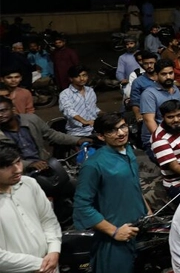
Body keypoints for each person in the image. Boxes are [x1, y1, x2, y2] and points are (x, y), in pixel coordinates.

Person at [73, 113, 150, 273]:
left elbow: (134, 185)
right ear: (101, 136)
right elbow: (82, 206)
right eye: (112, 131)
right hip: (114, 240)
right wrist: (114, 232)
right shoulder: (93, 165)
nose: (121, 133)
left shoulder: (128, 150)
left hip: (138, 229)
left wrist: (148, 210)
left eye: (123, 127)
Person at [0, 144, 62, 273]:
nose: (17, 170)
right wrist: (39, 265)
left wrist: (54, 250)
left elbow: (48, 220)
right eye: (7, 166)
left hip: (49, 266)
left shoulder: (29, 183)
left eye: (18, 162)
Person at [0, 96, 89, 170]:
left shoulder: (31, 120)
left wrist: (77, 140)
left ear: (13, 109)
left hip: (45, 163)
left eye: (3, 111)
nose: (0, 115)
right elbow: (4, 159)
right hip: (17, 171)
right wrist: (29, 164)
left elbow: (52, 135)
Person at [140, 59, 180, 157]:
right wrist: (163, 143)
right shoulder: (149, 94)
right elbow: (149, 121)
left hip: (174, 133)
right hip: (155, 139)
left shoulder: (175, 89)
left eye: (171, 73)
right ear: (156, 75)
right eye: (164, 74)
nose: (168, 77)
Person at [59, 65, 101, 137]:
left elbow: (94, 108)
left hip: (95, 130)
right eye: (77, 76)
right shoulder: (65, 94)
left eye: (84, 75)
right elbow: (68, 111)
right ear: (71, 79)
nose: (82, 79)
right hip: (77, 133)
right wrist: (84, 121)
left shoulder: (90, 91)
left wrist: (103, 114)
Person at [129, 51, 158, 124]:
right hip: (148, 113)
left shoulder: (163, 77)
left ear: (156, 63)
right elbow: (135, 101)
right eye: (146, 63)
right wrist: (138, 114)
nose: (149, 66)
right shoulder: (138, 82)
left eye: (151, 63)